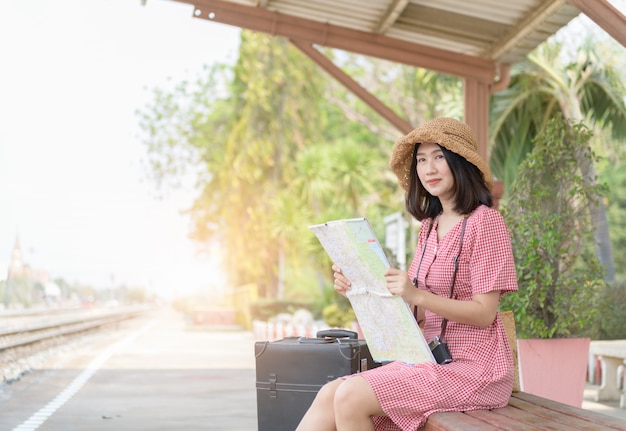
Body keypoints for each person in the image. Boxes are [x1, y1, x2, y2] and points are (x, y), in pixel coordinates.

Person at [296, 117, 518, 431]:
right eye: (422, 160)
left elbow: (485, 313)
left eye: (439, 157)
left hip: (475, 368)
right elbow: (409, 312)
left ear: (461, 162)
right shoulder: (429, 228)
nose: (429, 169)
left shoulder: (486, 223)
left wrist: (417, 295)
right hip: (429, 359)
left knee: (350, 397)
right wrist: (358, 287)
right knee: (329, 393)